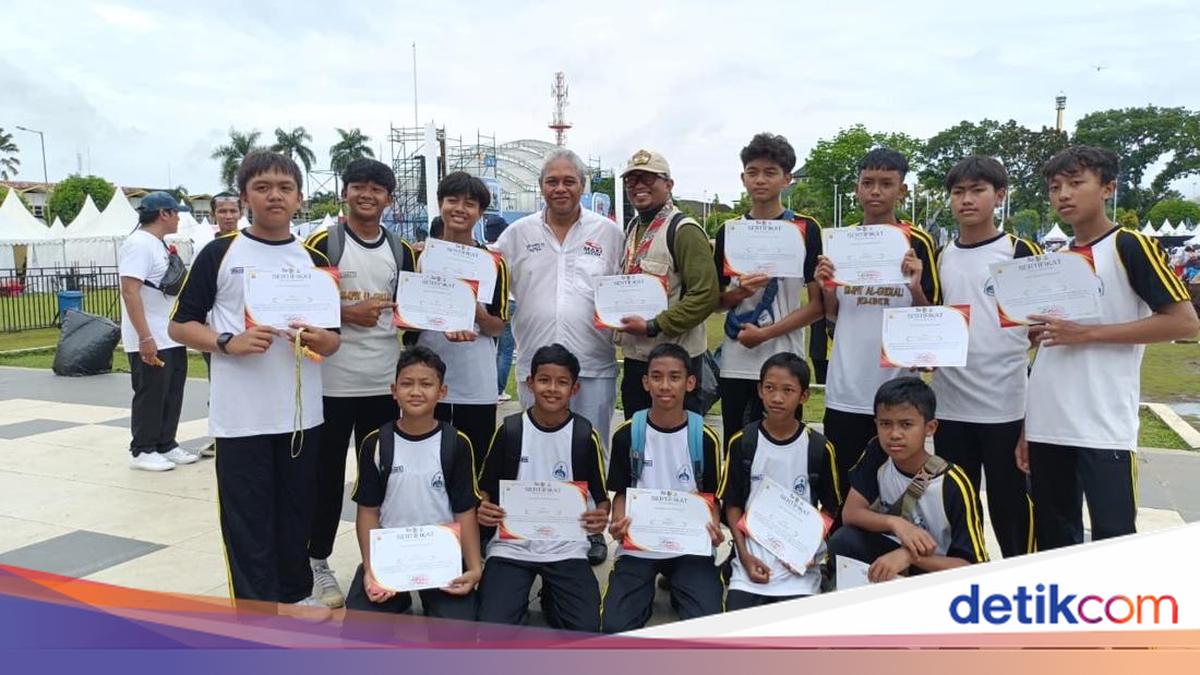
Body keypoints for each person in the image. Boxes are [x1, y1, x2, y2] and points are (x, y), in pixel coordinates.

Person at [169, 151, 341, 613]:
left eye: (284, 188)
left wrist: (320, 337)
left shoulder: (314, 259)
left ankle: (296, 593)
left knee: (295, 511)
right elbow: (180, 325)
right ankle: (256, 612)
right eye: (262, 187)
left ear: (300, 198)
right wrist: (228, 341)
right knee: (247, 521)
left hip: (302, 415)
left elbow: (332, 342)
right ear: (244, 197)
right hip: (241, 416)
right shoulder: (219, 253)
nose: (274, 196)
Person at [1024, 146, 1197, 550]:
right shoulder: (1058, 258)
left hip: (1103, 426)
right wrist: (1041, 335)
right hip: (1048, 421)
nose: (1063, 194)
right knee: (1053, 539)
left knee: (1113, 539)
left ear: (1108, 188)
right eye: (1055, 187)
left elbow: (1185, 322)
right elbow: (1057, 332)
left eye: (1076, 183)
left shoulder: (1130, 246)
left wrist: (1085, 334)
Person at [495, 148, 625, 565]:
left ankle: (590, 531)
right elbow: (487, 275)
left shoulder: (608, 233)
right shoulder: (518, 234)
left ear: (583, 187)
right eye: (552, 181)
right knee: (534, 449)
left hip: (593, 362)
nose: (561, 188)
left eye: (569, 181)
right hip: (535, 362)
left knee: (590, 450)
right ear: (541, 187)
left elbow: (628, 287)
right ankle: (535, 524)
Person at [303, 158, 415, 608]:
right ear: (344, 193)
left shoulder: (401, 250)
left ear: (389, 199)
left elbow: (410, 312)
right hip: (329, 384)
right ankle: (317, 562)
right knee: (325, 479)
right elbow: (299, 305)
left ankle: (385, 560)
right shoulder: (320, 244)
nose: (367, 195)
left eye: (377, 189)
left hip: (382, 383)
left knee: (382, 478)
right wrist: (348, 314)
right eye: (358, 187)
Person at [930, 156, 1040, 558]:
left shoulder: (1020, 252)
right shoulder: (943, 254)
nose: (966, 200)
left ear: (1000, 195)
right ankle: (967, 577)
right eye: (958, 192)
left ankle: (1018, 579)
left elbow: (1044, 329)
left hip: (1005, 406)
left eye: (977, 190)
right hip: (951, 403)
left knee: (1010, 507)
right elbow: (935, 321)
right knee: (958, 503)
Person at [814, 148, 940, 489]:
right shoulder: (842, 243)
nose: (875, 191)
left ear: (902, 191)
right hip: (845, 389)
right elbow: (832, 321)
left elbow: (932, 321)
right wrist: (827, 289)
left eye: (886, 183)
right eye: (867, 182)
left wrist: (914, 286)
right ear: (856, 188)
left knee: (897, 489)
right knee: (842, 485)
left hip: (897, 392)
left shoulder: (918, 242)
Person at [476, 344, 609, 631]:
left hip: (566, 546)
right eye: (544, 380)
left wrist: (601, 516)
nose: (552, 389)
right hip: (512, 546)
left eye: (562, 382)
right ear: (529, 383)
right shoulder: (511, 430)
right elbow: (484, 488)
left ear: (574, 389)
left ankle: (553, 593)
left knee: (585, 628)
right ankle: (515, 595)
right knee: (493, 628)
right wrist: (483, 508)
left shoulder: (585, 435)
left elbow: (601, 498)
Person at [345, 346, 482, 620]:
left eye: (426, 384)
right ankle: (398, 601)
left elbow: (465, 510)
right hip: (391, 557)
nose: (416, 391)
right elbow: (368, 512)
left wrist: (475, 567)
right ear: (394, 390)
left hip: (442, 556)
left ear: (442, 392)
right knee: (362, 625)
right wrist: (372, 570)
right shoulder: (376, 443)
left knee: (457, 630)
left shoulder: (456, 443)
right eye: (407, 384)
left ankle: (434, 605)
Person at [601, 343, 724, 633]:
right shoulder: (628, 433)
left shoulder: (705, 438)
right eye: (656, 377)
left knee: (706, 622)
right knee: (615, 625)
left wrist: (715, 528)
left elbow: (712, 497)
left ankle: (679, 581)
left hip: (689, 545)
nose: (665, 385)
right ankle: (647, 584)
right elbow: (621, 492)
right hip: (641, 544)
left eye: (674, 377)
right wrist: (618, 523)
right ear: (645, 382)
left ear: (690, 382)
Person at [713, 133, 824, 439]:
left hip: (784, 360)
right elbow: (715, 302)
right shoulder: (729, 231)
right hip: (736, 361)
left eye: (770, 172)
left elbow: (817, 306)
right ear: (743, 177)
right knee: (736, 445)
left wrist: (766, 334)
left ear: (787, 179)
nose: (760, 180)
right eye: (753, 172)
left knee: (784, 444)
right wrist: (739, 294)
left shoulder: (805, 229)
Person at [829, 378, 988, 583]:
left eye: (906, 424)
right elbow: (851, 513)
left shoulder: (952, 483)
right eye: (886, 424)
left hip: (936, 570)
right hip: (891, 562)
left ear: (930, 428)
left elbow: (971, 567)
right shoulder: (878, 453)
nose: (895, 434)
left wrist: (909, 556)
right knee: (844, 540)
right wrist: (896, 523)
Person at [720, 353, 841, 609]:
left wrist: (809, 549)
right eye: (770, 388)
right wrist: (743, 554)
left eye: (788, 390)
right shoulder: (743, 442)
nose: (777, 398)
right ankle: (733, 572)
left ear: (804, 396)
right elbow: (732, 504)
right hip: (751, 557)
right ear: (759, 390)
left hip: (798, 567)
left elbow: (831, 507)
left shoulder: (818, 448)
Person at [416, 172, 511, 471]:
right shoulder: (419, 256)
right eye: (452, 200)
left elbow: (498, 326)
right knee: (428, 464)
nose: (459, 209)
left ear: (480, 212)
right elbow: (404, 319)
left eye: (469, 203)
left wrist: (475, 312)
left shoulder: (493, 263)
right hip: (427, 376)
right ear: (440, 204)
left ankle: (474, 520)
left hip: (475, 381)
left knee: (475, 463)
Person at [616, 149, 719, 415]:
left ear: (669, 184)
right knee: (637, 440)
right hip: (638, 360)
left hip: (677, 364)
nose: (638, 185)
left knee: (679, 445)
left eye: (648, 178)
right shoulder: (633, 229)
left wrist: (654, 326)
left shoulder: (684, 230)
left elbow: (705, 295)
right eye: (631, 179)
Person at [119, 191, 194, 471]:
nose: (178, 219)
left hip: (169, 333)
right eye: (176, 213)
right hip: (150, 334)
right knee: (151, 392)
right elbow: (130, 291)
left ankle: (165, 443)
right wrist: (144, 337)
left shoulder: (158, 244)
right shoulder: (139, 244)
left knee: (172, 390)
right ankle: (142, 449)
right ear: (164, 214)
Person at [196, 191, 244, 458]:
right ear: (213, 214)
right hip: (216, 332)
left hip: (246, 331)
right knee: (219, 383)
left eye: (232, 211)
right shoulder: (207, 247)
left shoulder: (248, 243)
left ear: (241, 213)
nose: (227, 216)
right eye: (222, 212)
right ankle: (220, 435)